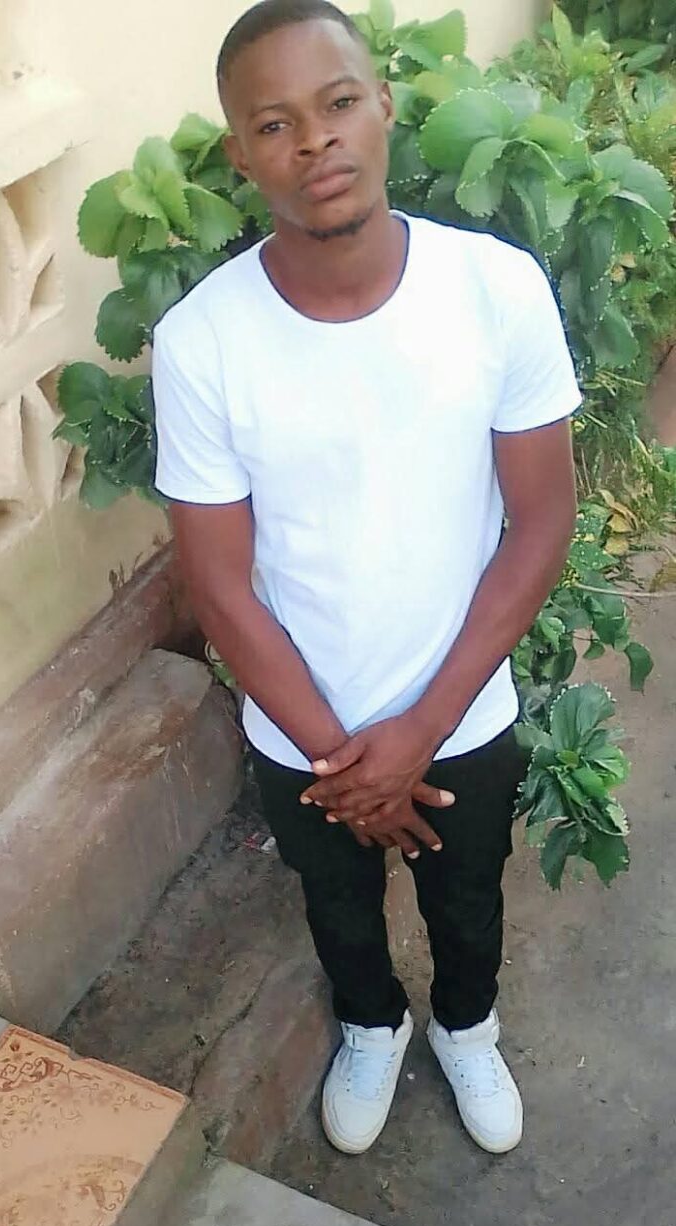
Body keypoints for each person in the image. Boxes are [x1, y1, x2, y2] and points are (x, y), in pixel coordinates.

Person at [152, 0, 580, 1159]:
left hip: (463, 706)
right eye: (275, 123)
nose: (316, 140)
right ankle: (372, 1023)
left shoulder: (495, 289)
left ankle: (467, 1023)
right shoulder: (203, 342)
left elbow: (542, 522)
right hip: (305, 730)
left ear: (384, 105)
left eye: (338, 102)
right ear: (242, 154)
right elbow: (220, 587)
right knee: (337, 905)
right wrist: (347, 760)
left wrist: (421, 732)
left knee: (469, 894)